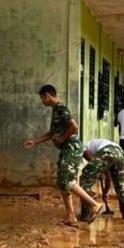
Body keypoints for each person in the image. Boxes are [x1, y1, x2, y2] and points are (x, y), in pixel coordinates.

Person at [24, 85, 104, 225]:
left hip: (71, 147)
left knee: (66, 180)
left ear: (47, 96)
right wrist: (35, 141)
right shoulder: (56, 110)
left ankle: (95, 205)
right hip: (67, 148)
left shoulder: (61, 109)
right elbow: (51, 134)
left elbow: (74, 127)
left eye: (42, 98)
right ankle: (70, 216)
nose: (42, 101)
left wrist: (62, 139)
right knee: (62, 182)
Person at [80, 139, 124, 220]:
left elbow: (92, 160)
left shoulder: (84, 147)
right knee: (120, 186)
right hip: (120, 154)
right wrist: (105, 193)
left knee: (85, 179)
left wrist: (98, 169)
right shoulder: (98, 144)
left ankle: (85, 214)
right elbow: (108, 177)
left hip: (107, 151)